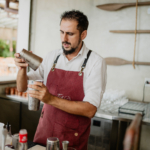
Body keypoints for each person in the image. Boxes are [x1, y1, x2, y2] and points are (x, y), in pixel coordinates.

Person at [14, 10, 107, 150]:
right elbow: (21, 87)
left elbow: (90, 110)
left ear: (83, 34)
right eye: (62, 32)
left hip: (71, 141)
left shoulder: (95, 62)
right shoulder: (52, 57)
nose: (64, 38)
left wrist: (50, 99)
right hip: (44, 135)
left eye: (70, 34)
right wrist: (22, 68)